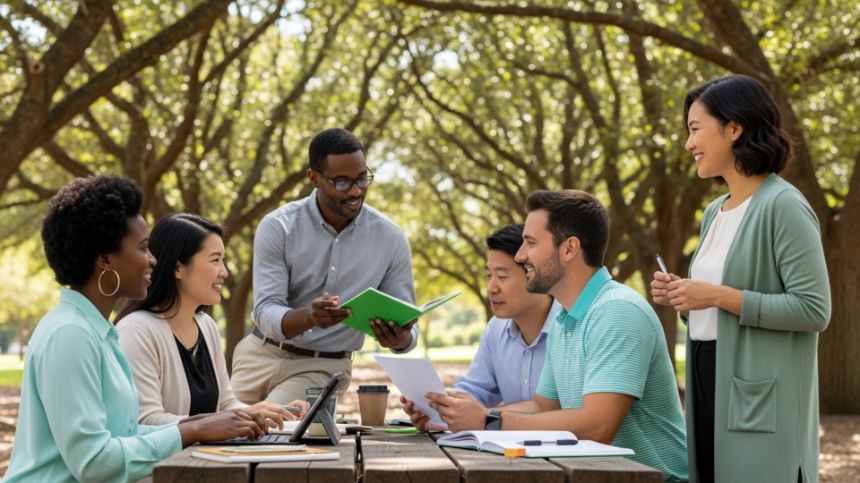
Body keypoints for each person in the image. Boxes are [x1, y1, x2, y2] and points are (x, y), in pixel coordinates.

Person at [409, 190, 688, 481]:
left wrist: (489, 422)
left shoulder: (616, 311)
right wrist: (457, 416)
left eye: (530, 243)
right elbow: (543, 405)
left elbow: (598, 426)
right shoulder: (565, 319)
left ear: (569, 249)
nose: (521, 255)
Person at [4, 176, 268, 482]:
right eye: (143, 248)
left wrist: (204, 424)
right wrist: (190, 430)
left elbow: (123, 434)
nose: (153, 260)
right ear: (105, 259)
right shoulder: (70, 335)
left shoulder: (97, 331)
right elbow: (93, 462)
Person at [650, 74, 830, 483]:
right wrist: (684, 297)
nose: (688, 144)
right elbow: (716, 307)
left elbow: (814, 309)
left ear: (734, 128)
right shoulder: (715, 212)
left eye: (695, 130)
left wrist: (716, 295)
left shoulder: (783, 206)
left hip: (757, 392)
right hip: (704, 375)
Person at [230, 128, 417, 405]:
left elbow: (408, 324)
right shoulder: (278, 226)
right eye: (342, 182)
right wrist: (309, 316)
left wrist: (400, 339)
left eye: (362, 178)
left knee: (274, 428)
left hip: (322, 368)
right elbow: (265, 309)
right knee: (221, 433)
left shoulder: (390, 238)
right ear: (314, 178)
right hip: (258, 355)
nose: (356, 191)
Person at [116, 213, 308, 426]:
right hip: (166, 460)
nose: (224, 272)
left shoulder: (206, 326)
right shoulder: (136, 331)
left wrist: (271, 412)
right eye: (215, 260)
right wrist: (224, 421)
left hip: (204, 458)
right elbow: (146, 420)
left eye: (223, 261)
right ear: (178, 268)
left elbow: (226, 405)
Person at [400, 224, 561, 414]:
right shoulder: (496, 329)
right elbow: (475, 391)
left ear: (534, 273)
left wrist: (488, 417)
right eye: (488, 275)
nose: (491, 288)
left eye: (502, 276)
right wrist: (439, 409)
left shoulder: (570, 327)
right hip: (509, 444)